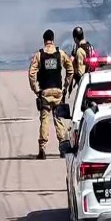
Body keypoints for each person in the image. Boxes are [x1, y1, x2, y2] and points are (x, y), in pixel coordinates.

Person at [28, 29, 74, 160]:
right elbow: (70, 69)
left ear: (44, 40)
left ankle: (42, 148)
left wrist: (35, 89)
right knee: (58, 119)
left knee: (44, 120)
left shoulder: (39, 55)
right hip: (58, 91)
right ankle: (63, 147)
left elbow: (31, 73)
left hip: (45, 92)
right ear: (53, 40)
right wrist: (66, 85)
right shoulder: (60, 54)